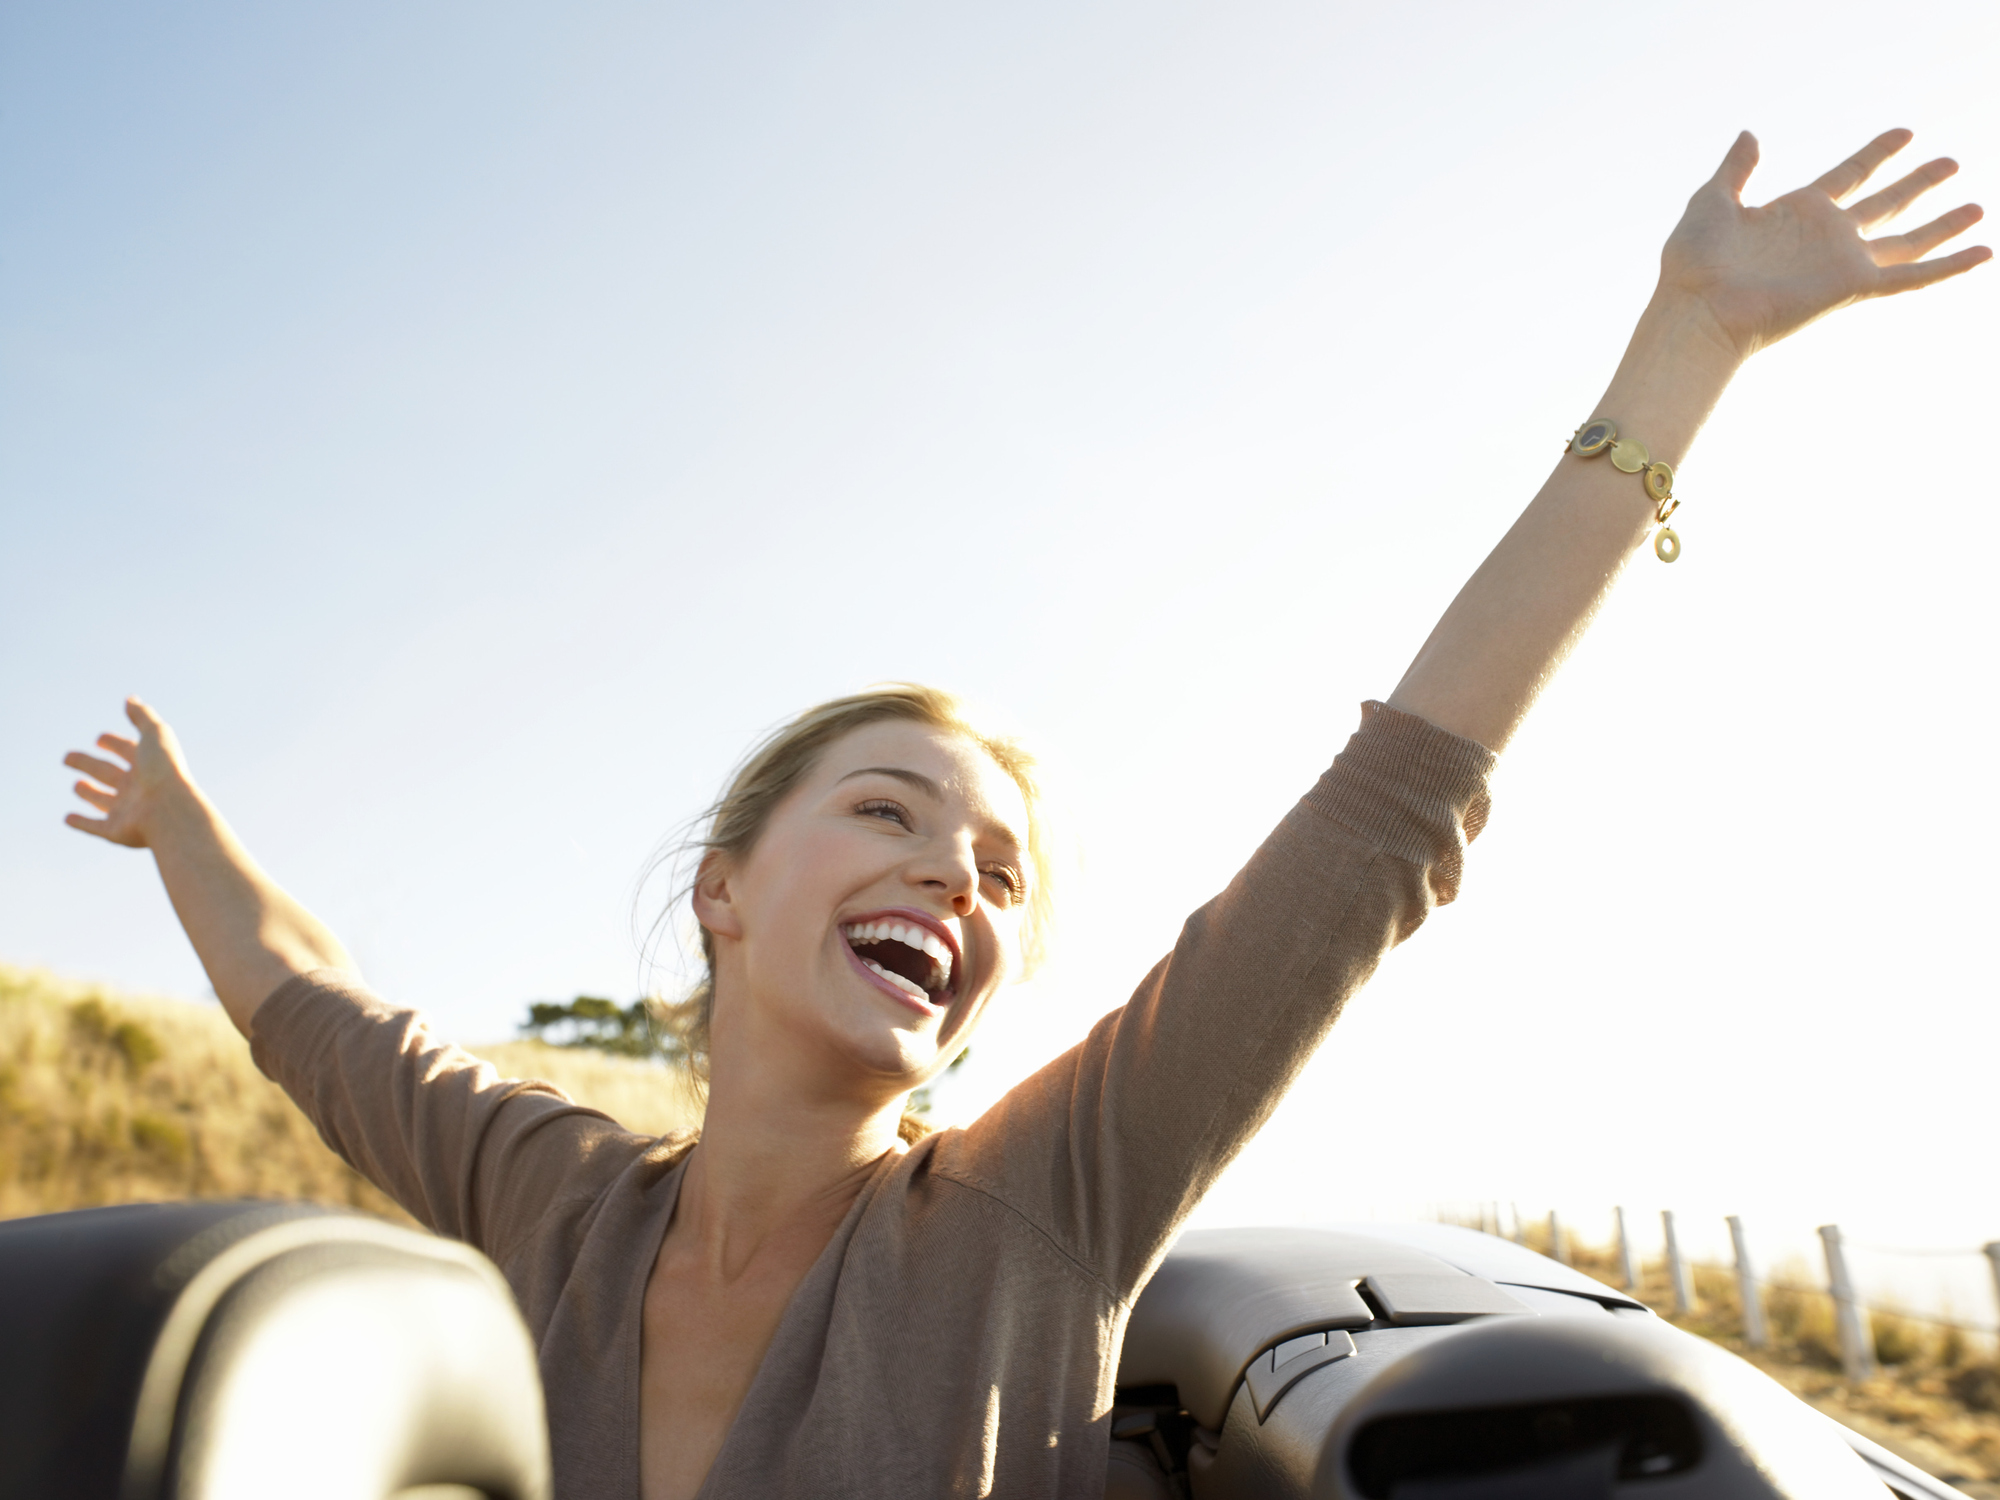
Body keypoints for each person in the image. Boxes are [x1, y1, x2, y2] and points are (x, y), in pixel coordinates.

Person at [62, 130, 1985, 1500]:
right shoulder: (548, 1198)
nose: (950, 876)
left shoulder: (1037, 1204)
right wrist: (177, 830)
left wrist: (1688, 352)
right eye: (890, 812)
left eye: (1000, 874)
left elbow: (1388, 811)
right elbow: (306, 1007)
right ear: (726, 890)